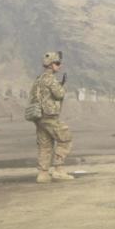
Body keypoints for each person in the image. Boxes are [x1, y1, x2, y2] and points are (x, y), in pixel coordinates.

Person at [29, 51, 74, 183]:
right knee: (65, 138)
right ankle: (58, 169)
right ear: (50, 64)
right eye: (57, 63)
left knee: (45, 144)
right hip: (49, 116)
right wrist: (62, 86)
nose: (59, 66)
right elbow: (59, 94)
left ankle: (43, 174)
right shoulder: (50, 79)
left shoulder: (39, 79)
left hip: (39, 117)